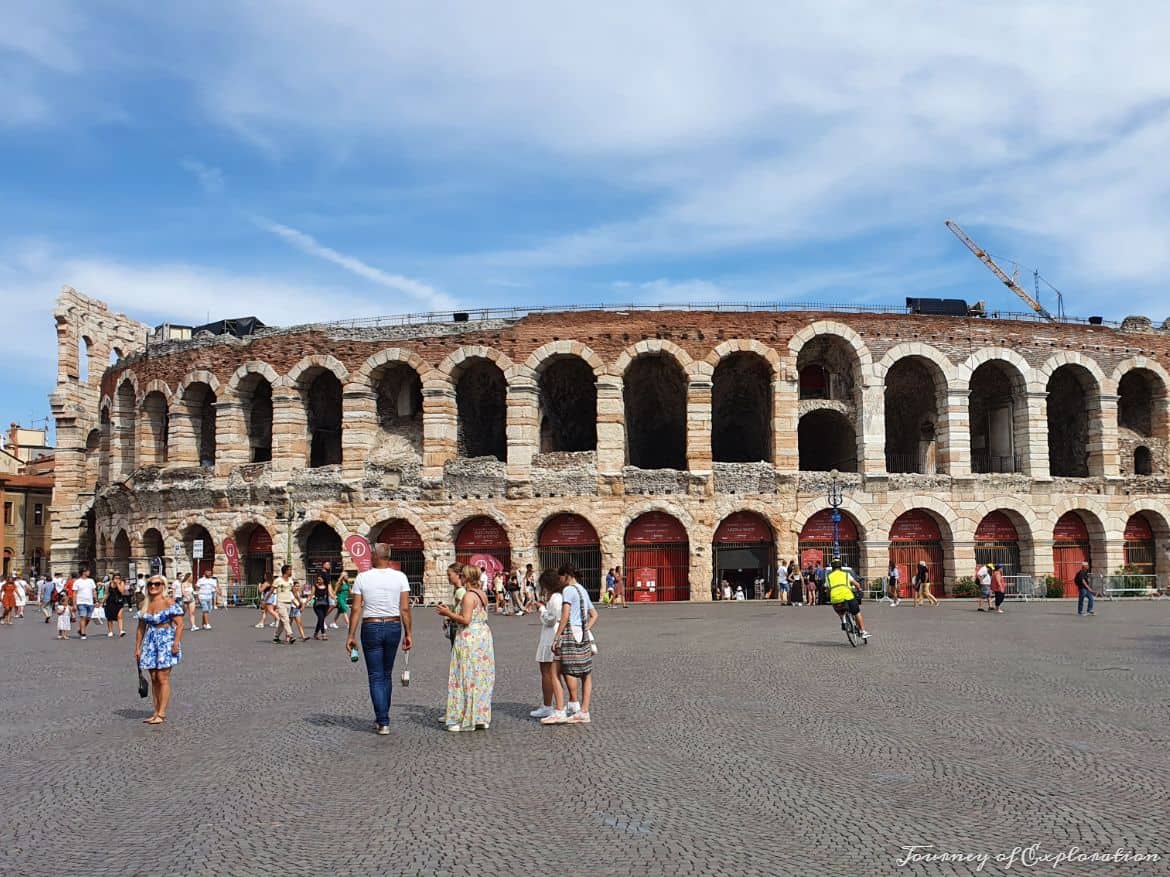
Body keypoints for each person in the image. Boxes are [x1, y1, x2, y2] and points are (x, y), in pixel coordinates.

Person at [346, 543, 413, 735]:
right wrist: (408, 633)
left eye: (371, 553)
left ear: (376, 556)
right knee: (386, 674)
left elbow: (357, 608)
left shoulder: (362, 578)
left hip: (371, 626)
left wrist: (350, 635)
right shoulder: (400, 577)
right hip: (393, 626)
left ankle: (382, 720)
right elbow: (405, 608)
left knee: (375, 675)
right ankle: (383, 718)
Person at [437, 564, 495, 732]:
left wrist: (447, 613)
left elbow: (465, 619)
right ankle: (480, 717)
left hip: (470, 637)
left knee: (465, 676)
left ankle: (464, 719)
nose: (459, 578)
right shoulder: (482, 593)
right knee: (480, 677)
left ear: (466, 578)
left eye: (461, 575)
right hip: (483, 636)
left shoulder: (469, 596)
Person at [542, 563, 597, 725]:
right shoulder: (583, 590)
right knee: (586, 673)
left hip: (568, 634)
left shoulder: (568, 590)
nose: (559, 580)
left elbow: (565, 615)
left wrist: (557, 637)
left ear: (566, 575)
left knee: (554, 671)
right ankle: (584, 711)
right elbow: (594, 614)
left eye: (560, 577)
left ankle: (559, 710)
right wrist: (585, 628)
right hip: (582, 634)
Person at [134, 575, 184, 725]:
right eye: (150, 584)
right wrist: (137, 647)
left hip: (165, 640)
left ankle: (161, 713)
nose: (153, 587)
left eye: (157, 584)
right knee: (154, 677)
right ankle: (155, 711)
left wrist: (176, 642)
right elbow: (141, 628)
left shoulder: (168, 602)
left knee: (163, 678)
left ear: (163, 586)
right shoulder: (145, 604)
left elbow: (180, 624)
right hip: (150, 641)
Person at [530, 569, 566, 720]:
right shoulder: (558, 597)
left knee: (548, 673)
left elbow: (551, 619)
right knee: (553, 673)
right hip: (552, 635)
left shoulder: (556, 598)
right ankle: (555, 705)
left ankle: (548, 706)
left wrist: (541, 608)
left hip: (551, 636)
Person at [827, 557, 871, 641]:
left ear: (832, 568)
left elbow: (828, 589)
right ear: (840, 567)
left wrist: (830, 596)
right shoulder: (846, 574)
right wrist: (859, 589)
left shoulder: (829, 576)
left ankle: (843, 621)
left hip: (835, 598)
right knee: (857, 612)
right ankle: (862, 631)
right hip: (848, 596)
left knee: (839, 610)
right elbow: (857, 584)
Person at [273, 564, 297, 645]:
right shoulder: (278, 580)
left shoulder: (291, 580)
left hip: (288, 602)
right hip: (280, 602)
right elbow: (271, 591)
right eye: (290, 570)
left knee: (282, 622)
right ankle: (290, 635)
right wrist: (265, 600)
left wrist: (299, 601)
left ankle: (276, 637)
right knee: (286, 619)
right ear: (286, 571)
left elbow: (293, 591)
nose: (291, 571)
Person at [72, 566, 97, 639]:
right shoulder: (77, 582)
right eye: (88, 571)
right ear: (84, 572)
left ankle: (81, 629)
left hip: (90, 602)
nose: (89, 572)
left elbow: (94, 591)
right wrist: (74, 604)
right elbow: (75, 593)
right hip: (81, 602)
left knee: (88, 618)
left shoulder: (91, 580)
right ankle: (83, 633)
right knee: (83, 617)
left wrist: (96, 600)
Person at [104, 573, 128, 637]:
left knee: (119, 616)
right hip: (110, 601)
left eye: (118, 578)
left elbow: (121, 591)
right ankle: (110, 631)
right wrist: (102, 602)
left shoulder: (121, 583)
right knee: (110, 617)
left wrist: (117, 584)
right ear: (113, 578)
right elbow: (106, 593)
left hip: (119, 602)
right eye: (115, 578)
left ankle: (121, 631)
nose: (117, 579)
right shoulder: (108, 584)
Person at [311, 574, 335, 640]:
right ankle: (323, 634)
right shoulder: (315, 586)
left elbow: (330, 593)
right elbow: (311, 594)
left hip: (325, 605)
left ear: (323, 580)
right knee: (321, 618)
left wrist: (335, 598)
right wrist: (305, 603)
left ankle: (315, 634)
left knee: (320, 619)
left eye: (320, 579)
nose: (318, 581)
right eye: (318, 579)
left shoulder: (327, 586)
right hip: (317, 605)